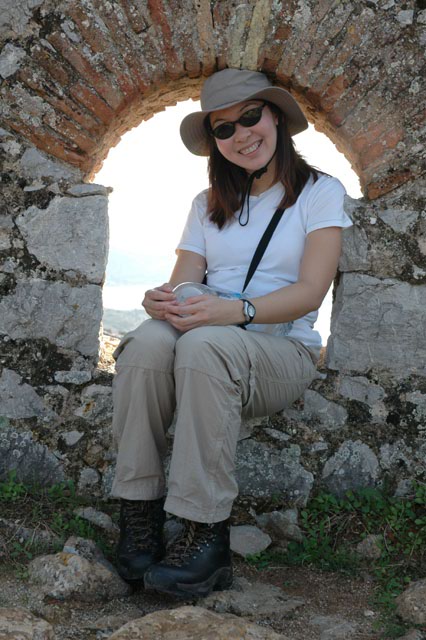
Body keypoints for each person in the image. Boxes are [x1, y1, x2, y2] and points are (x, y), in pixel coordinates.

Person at [110, 68, 352, 598]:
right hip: (211, 338)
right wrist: (160, 300)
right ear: (215, 141)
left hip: (280, 351)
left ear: (275, 117)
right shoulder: (206, 204)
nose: (241, 134)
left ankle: (205, 534)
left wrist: (234, 311)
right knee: (146, 343)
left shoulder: (319, 193)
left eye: (250, 117)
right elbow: (183, 283)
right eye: (224, 128)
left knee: (204, 343)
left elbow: (311, 291)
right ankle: (139, 514)